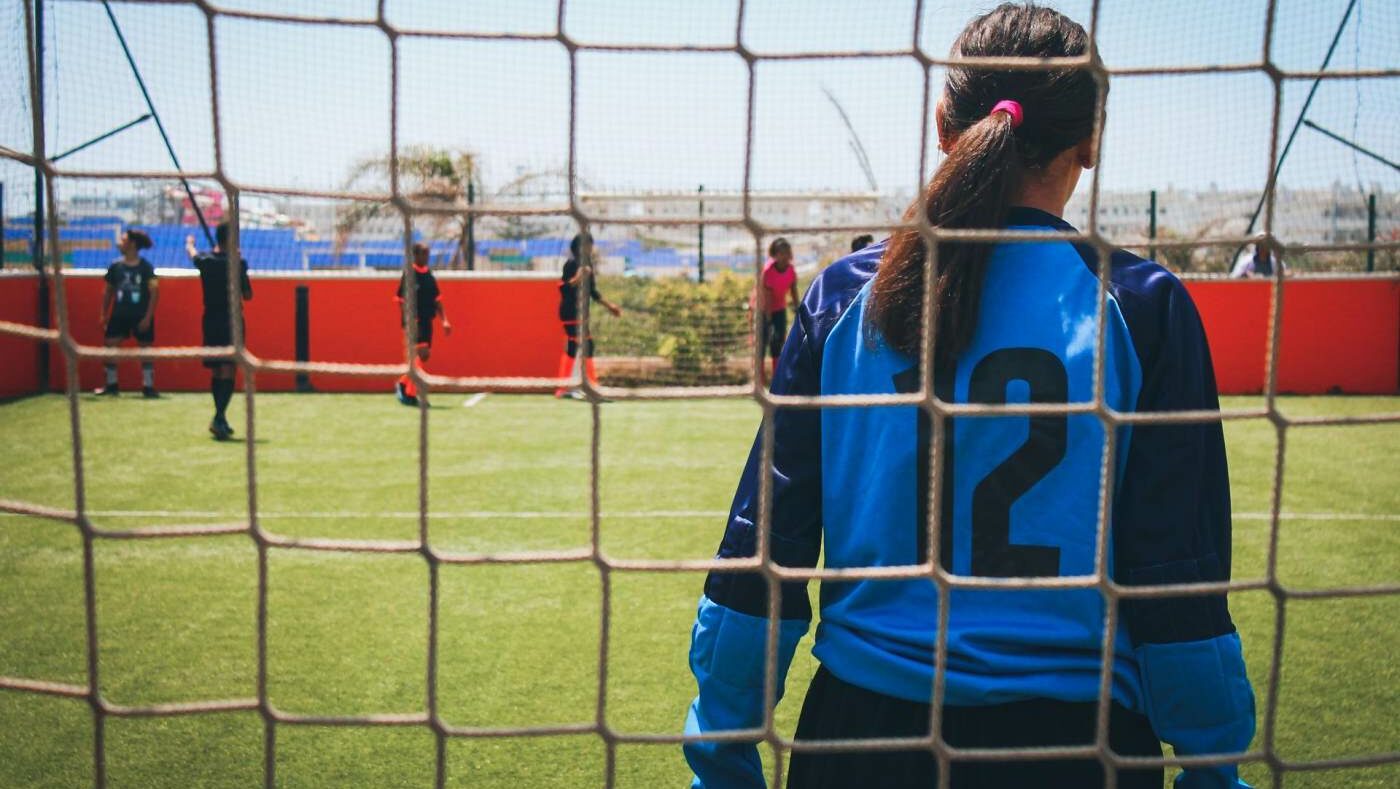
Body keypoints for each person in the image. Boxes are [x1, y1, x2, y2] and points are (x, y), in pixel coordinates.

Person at [683, 4, 1255, 789]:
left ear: (945, 126)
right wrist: (1213, 768)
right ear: (1090, 142)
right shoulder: (1144, 306)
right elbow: (1178, 578)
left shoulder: (845, 295)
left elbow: (762, 552)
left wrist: (720, 758)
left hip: (863, 740)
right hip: (1078, 745)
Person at [187, 223, 252, 441]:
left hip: (211, 319)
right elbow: (248, 294)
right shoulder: (238, 264)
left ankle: (220, 418)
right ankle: (220, 416)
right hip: (232, 319)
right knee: (229, 368)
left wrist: (190, 244)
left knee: (217, 369)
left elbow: (194, 256)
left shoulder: (206, 262)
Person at [555, 233, 622, 398]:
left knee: (574, 347)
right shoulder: (571, 264)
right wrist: (578, 278)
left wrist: (610, 306)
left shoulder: (588, 264)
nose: (591, 248)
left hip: (582, 313)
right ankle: (591, 387)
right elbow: (563, 287)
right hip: (570, 312)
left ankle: (563, 389)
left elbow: (592, 291)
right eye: (588, 244)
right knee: (587, 345)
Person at [96, 229, 160, 397]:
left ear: (132, 244)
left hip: (140, 315)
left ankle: (148, 387)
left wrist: (148, 317)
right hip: (119, 315)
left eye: (123, 240)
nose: (120, 243)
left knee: (145, 350)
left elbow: (154, 293)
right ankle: (111, 385)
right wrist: (103, 314)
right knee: (110, 346)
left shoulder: (146, 268)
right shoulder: (115, 266)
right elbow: (108, 291)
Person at [394, 242, 453, 406]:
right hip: (414, 323)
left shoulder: (429, 276)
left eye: (428, 254)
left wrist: (445, 320)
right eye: (424, 254)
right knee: (419, 354)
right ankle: (410, 393)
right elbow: (400, 299)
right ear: (416, 255)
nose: (427, 257)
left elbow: (437, 300)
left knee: (424, 356)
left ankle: (403, 383)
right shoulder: (409, 274)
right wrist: (408, 319)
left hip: (427, 321)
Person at [749, 237, 799, 385]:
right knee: (761, 345)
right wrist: (769, 319)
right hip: (762, 310)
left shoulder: (791, 270)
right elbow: (767, 297)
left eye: (786, 252)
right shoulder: (768, 271)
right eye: (781, 253)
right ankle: (758, 380)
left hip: (779, 309)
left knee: (777, 344)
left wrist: (798, 308)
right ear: (775, 255)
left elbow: (793, 290)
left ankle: (777, 380)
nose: (784, 256)